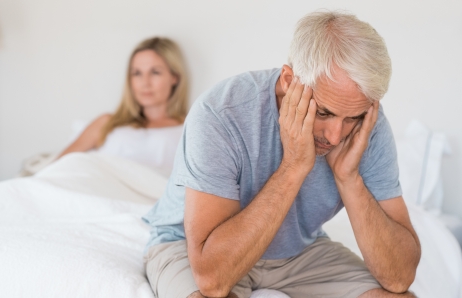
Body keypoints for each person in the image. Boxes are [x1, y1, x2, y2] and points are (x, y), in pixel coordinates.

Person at [142, 11, 421, 298]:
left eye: (352, 117)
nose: (335, 136)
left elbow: (399, 278)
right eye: (323, 112)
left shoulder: (368, 125)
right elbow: (213, 280)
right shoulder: (220, 113)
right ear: (289, 80)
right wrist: (293, 167)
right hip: (192, 247)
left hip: (297, 252)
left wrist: (349, 179)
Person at [57, 37, 189, 176]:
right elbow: (57, 167)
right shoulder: (107, 123)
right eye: (137, 73)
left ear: (175, 77)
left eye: (155, 72)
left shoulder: (189, 130)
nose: (145, 83)